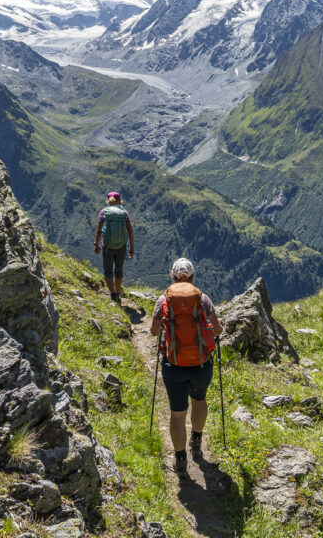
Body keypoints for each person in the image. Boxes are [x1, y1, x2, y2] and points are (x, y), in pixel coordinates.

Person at [150, 258, 223, 475]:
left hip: (173, 365)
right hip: (201, 365)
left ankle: (181, 459)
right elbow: (217, 330)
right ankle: (197, 439)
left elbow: (154, 332)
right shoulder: (203, 299)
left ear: (172, 275)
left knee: (177, 413)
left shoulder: (164, 299)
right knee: (199, 400)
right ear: (192, 277)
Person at [93, 191, 134, 304]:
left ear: (108, 201)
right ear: (120, 200)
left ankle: (113, 294)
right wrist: (131, 248)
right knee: (119, 270)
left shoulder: (103, 212)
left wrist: (96, 244)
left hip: (107, 246)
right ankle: (117, 292)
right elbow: (130, 230)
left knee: (108, 271)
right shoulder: (124, 213)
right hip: (121, 246)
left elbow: (98, 231)